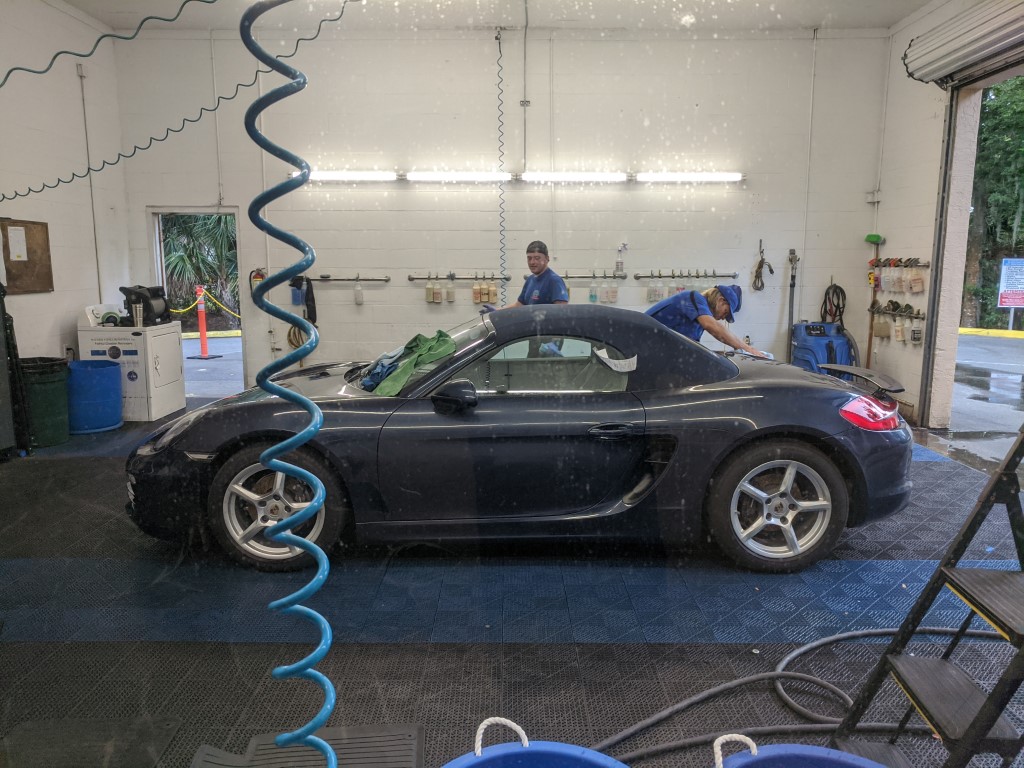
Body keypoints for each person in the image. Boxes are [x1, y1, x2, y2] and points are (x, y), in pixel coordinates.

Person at [645, 284, 768, 357]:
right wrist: (749, 349)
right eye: (726, 312)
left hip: (655, 353)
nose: (723, 318)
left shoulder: (697, 324)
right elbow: (712, 326)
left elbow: (692, 349)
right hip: (641, 346)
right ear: (721, 301)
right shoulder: (693, 297)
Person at [504, 240, 569, 307]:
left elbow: (561, 310)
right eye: (529, 258)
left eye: (537, 258)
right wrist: (496, 311)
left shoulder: (554, 281)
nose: (532, 262)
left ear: (547, 259)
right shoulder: (530, 280)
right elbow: (519, 305)